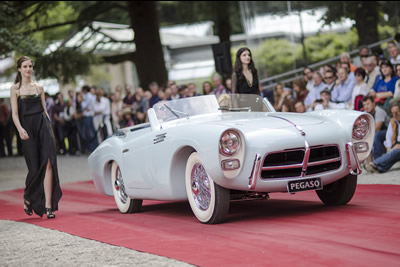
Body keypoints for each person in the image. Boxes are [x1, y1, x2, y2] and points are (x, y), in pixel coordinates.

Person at [9, 56, 62, 218]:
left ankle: (48, 206)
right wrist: (20, 129)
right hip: (27, 127)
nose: (28, 69)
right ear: (19, 69)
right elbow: (15, 113)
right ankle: (28, 196)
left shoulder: (39, 87)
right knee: (34, 167)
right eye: (25, 66)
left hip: (42, 124)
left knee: (48, 163)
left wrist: (49, 128)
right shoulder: (15, 89)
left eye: (30, 66)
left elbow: (45, 110)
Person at [365, 101, 400, 173]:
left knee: (395, 152)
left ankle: (375, 163)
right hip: (396, 145)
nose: (394, 115)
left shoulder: (379, 111)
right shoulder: (393, 121)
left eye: (396, 112)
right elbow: (389, 136)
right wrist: (389, 147)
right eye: (392, 113)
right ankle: (378, 168)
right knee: (393, 152)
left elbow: (377, 128)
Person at [362, 95, 390, 161]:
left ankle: (377, 160)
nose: (366, 107)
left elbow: (377, 128)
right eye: (364, 105)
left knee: (376, 135)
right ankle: (369, 162)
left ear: (373, 103)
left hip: (387, 131)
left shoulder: (379, 111)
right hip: (373, 132)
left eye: (368, 104)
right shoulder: (364, 114)